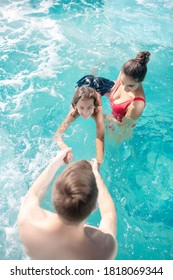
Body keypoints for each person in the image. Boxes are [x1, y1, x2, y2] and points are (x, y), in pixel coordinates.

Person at [17, 148, 117, 260]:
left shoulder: (28, 221)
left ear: (54, 195)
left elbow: (34, 193)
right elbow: (109, 214)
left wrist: (56, 162)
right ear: (94, 207)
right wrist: (97, 177)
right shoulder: (103, 250)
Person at [76, 51, 150, 141]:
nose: (124, 88)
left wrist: (99, 114)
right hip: (111, 91)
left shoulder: (137, 104)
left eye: (130, 86)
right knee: (86, 82)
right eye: (122, 82)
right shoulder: (126, 72)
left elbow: (123, 127)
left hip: (117, 122)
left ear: (142, 81)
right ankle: (95, 68)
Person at [54, 85, 104, 166]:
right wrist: (65, 148)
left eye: (89, 107)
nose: (85, 112)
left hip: (96, 85)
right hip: (81, 84)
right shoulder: (73, 114)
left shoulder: (97, 111)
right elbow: (57, 135)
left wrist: (99, 161)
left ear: (94, 105)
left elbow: (100, 137)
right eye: (81, 108)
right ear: (75, 106)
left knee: (107, 118)